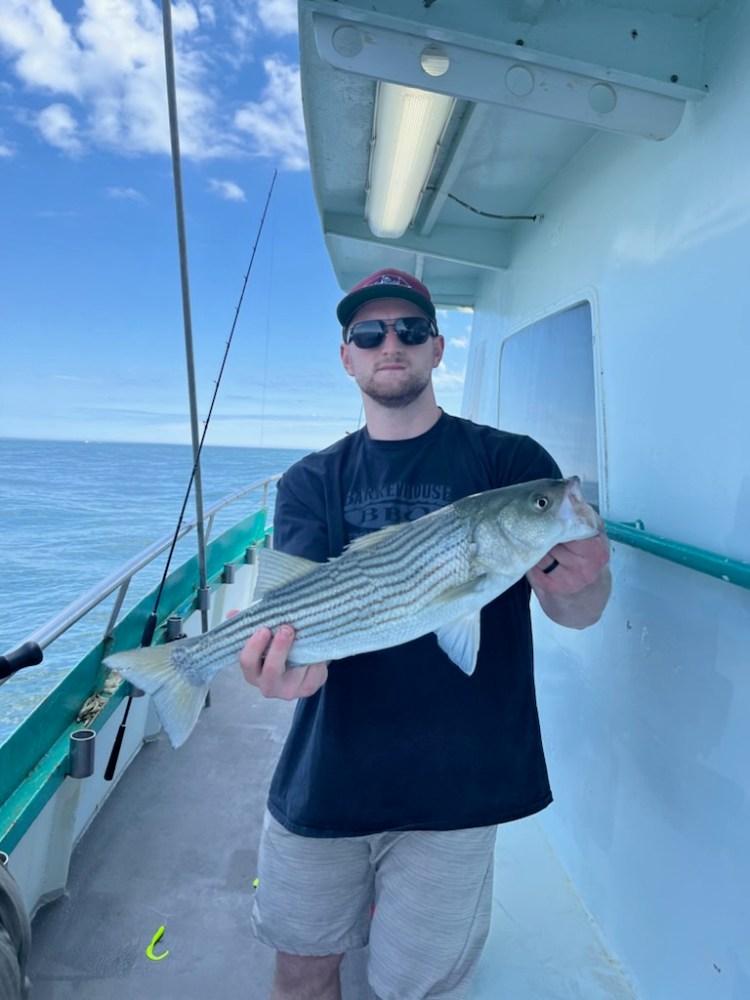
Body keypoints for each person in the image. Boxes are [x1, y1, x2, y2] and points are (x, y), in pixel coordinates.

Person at [239, 268, 611, 1000]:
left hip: (461, 786)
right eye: (369, 333)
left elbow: (578, 612)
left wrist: (587, 583)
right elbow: (298, 638)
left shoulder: (510, 464)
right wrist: (286, 671)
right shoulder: (311, 481)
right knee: (301, 969)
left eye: (410, 331)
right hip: (327, 778)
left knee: (419, 989)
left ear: (439, 349)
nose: (391, 344)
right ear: (347, 356)